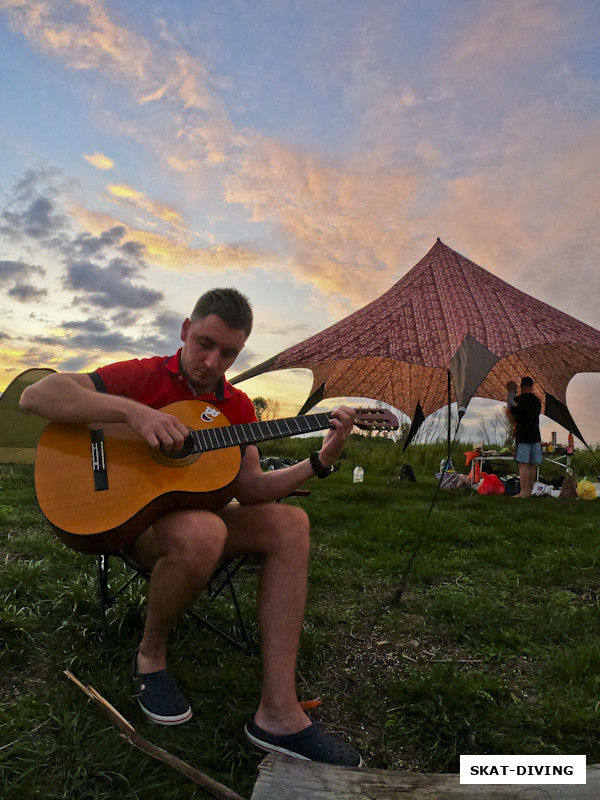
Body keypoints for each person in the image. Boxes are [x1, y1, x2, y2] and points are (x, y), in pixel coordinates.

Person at [20, 288, 362, 767]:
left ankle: (278, 712)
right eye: (204, 343)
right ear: (185, 330)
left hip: (200, 517)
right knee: (204, 531)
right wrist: (133, 412)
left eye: (228, 352)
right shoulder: (142, 376)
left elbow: (254, 488)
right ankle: (150, 655)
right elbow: (37, 395)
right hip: (133, 524)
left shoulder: (236, 407)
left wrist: (320, 460)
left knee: (290, 522)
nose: (211, 360)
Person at [510, 376, 542, 498]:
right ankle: (530, 490)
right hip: (535, 435)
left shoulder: (518, 401)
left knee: (523, 464)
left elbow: (512, 418)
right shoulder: (537, 401)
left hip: (523, 436)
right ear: (532, 386)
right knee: (532, 464)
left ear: (521, 386)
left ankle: (523, 492)